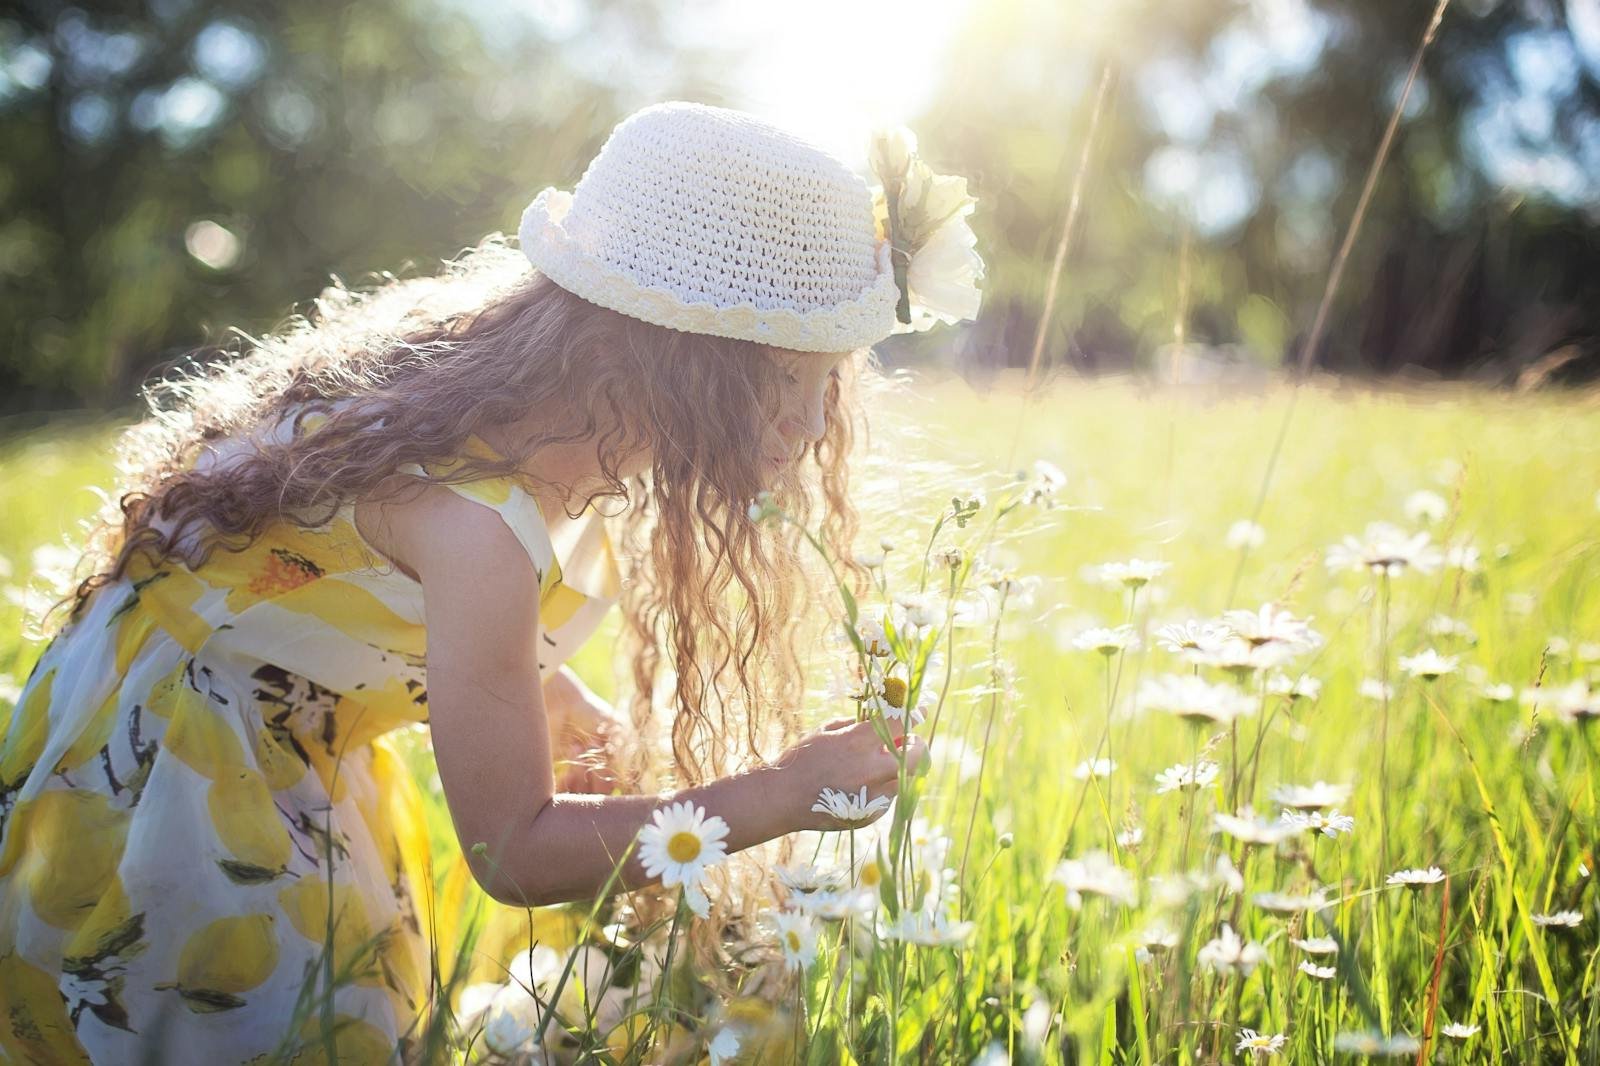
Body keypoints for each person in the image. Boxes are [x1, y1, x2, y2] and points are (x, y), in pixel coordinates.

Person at [0, 100, 982, 1064]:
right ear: (685, 365)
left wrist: (546, 689)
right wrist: (783, 791)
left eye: (831, 383)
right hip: (174, 769)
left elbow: (334, 582)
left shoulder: (515, 400)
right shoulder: (480, 525)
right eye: (793, 382)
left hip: (263, 715)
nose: (816, 427)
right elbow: (513, 852)